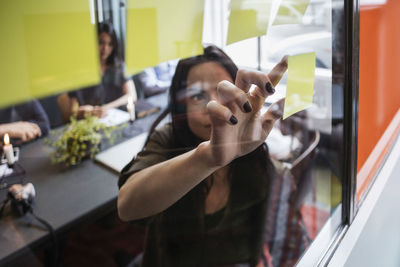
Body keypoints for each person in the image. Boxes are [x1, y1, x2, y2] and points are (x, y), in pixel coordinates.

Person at [117, 45, 289, 266]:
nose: (213, 106)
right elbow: (127, 206)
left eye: (223, 92)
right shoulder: (169, 138)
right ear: (181, 108)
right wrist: (208, 157)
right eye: (197, 96)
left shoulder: (252, 145)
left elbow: (265, 226)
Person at [58, 22, 136, 122]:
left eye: (110, 44)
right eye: (101, 43)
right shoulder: (80, 71)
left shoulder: (118, 66)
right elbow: (73, 110)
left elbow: (132, 95)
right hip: (90, 122)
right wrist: (87, 112)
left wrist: (106, 107)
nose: (105, 48)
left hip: (115, 119)